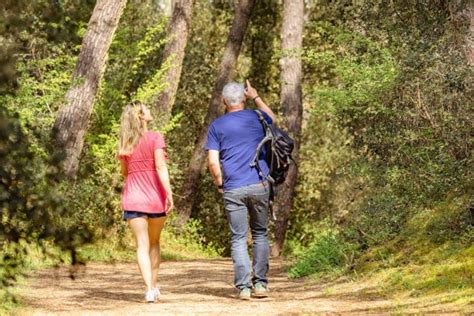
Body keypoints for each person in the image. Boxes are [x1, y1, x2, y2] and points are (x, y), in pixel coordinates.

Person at [205, 80, 276, 300]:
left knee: (238, 238)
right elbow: (273, 117)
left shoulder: (217, 126)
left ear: (224, 101)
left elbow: (212, 162)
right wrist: (256, 96)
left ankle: (244, 287)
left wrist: (219, 183)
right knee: (260, 233)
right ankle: (261, 285)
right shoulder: (257, 117)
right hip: (259, 183)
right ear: (243, 99)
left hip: (233, 187)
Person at [117, 101, 174, 303]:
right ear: (141, 116)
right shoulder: (155, 137)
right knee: (154, 242)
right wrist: (169, 193)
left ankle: (149, 289)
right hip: (154, 198)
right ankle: (154, 285)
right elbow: (160, 167)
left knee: (141, 244)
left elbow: (124, 173)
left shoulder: (125, 144)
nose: (150, 111)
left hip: (133, 198)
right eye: (146, 109)